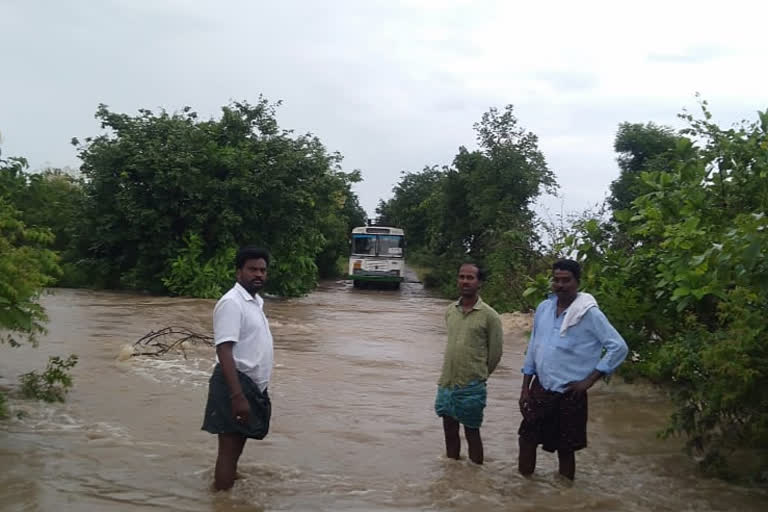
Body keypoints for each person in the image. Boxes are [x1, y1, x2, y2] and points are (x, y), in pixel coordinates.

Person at [518, 259, 628, 480]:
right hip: (541, 388)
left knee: (565, 450)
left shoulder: (589, 314)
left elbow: (619, 347)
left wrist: (589, 381)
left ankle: (565, 496)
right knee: (526, 439)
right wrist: (525, 389)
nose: (560, 285)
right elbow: (533, 347)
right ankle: (523, 489)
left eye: (566, 280)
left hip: (570, 393)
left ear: (577, 282)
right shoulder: (544, 308)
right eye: (556, 280)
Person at [201, 246, 274, 491]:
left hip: (250, 386)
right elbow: (224, 350)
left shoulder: (255, 301)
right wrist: (237, 396)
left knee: (237, 449)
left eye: (262, 270)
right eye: (252, 269)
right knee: (229, 452)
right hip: (235, 385)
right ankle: (221, 500)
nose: (259, 274)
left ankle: (225, 497)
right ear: (238, 272)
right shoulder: (232, 303)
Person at [435, 262, 504, 464]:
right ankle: (453, 474)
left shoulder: (490, 316)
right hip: (447, 382)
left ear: (479, 283)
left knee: (472, 433)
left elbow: (495, 354)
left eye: (470, 278)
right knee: (449, 431)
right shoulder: (450, 311)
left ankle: (476, 477)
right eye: (462, 277)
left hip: (472, 385)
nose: (465, 281)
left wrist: (479, 376)